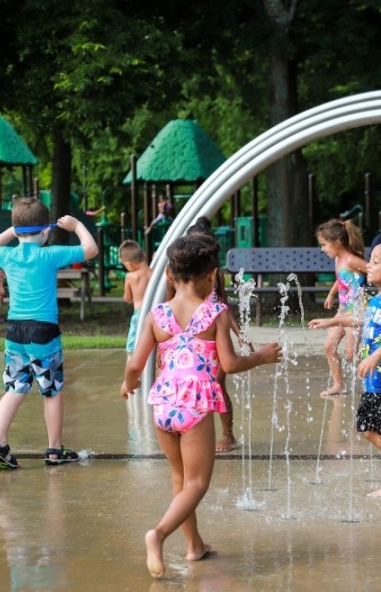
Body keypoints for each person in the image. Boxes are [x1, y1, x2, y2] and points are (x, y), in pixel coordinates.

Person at [121, 235, 281, 579]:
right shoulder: (215, 312)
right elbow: (231, 363)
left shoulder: (157, 314)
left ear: (169, 275)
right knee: (197, 483)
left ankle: (195, 546)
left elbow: (136, 364)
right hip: (194, 405)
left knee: (180, 480)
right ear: (211, 275)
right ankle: (159, 534)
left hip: (162, 404)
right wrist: (262, 357)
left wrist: (129, 384)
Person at [0, 197, 99, 469]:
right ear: (45, 231)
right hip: (43, 332)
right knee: (51, 391)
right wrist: (77, 224)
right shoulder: (49, 254)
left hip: (14, 331)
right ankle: (54, 450)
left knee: (15, 387)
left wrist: (14, 229)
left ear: (16, 229)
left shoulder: (7, 255)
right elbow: (90, 249)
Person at [309, 237, 381, 497]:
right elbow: (360, 317)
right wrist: (332, 322)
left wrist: (375, 357)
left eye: (376, 262)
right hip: (372, 380)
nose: (369, 266)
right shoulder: (376, 300)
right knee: (366, 429)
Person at [183, 217, 244, 452]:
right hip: (191, 338)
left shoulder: (215, 275)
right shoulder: (182, 274)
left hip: (214, 334)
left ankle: (228, 435)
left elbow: (224, 305)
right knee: (192, 384)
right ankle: (195, 431)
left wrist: (239, 333)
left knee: (218, 384)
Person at [317, 218, 367, 398]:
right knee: (329, 346)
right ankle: (339, 385)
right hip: (343, 310)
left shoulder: (352, 260)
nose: (323, 249)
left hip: (356, 312)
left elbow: (375, 271)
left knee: (351, 354)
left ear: (337, 242)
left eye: (324, 245)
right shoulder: (338, 259)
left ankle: (379, 375)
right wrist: (331, 294)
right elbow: (341, 279)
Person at [119, 240, 153, 360]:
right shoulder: (153, 273)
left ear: (129, 264)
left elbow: (128, 298)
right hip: (154, 313)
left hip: (139, 314)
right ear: (143, 254)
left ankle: (131, 374)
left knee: (132, 347)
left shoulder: (131, 276)